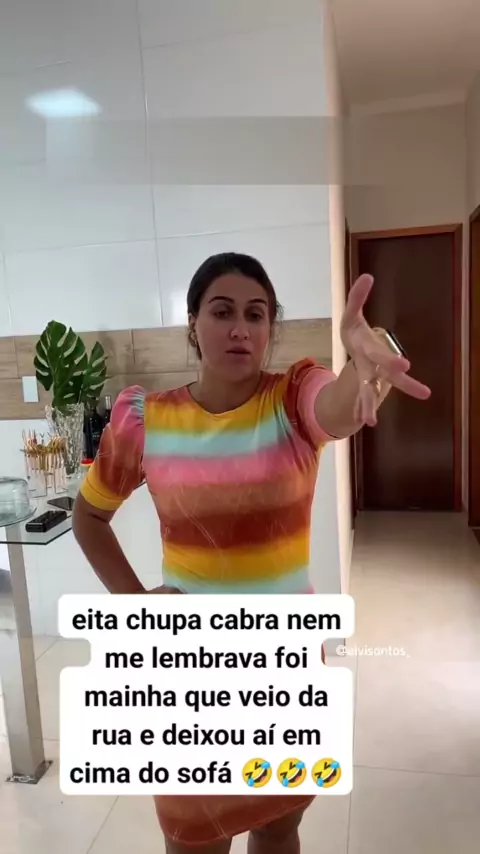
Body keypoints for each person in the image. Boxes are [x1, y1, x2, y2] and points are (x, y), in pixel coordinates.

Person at [73, 252, 430, 854]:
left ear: (270, 328)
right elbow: (88, 516)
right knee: (194, 837)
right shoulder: (147, 421)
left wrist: (361, 367)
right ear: (193, 323)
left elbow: (337, 408)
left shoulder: (292, 399)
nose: (240, 328)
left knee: (278, 824)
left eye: (256, 314)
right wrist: (136, 609)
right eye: (222, 312)